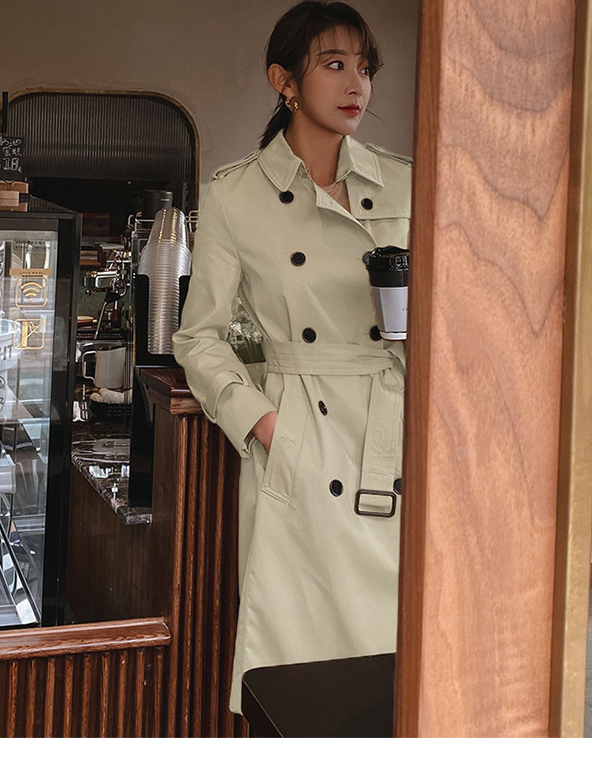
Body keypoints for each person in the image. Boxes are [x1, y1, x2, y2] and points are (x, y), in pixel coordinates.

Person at [172, 0, 411, 715]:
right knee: (308, 683)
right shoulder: (235, 196)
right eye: (334, 65)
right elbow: (199, 336)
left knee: (405, 674)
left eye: (365, 68)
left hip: (396, 434)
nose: (357, 85)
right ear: (285, 82)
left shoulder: (407, 182)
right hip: (303, 443)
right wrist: (267, 424)